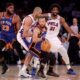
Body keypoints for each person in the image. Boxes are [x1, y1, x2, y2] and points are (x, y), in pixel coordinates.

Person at [44, 3, 77, 75]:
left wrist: (74, 34)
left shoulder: (61, 19)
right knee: (40, 54)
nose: (55, 11)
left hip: (54, 38)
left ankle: (69, 68)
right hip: (46, 37)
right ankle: (35, 69)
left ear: (58, 11)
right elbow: (39, 18)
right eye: (53, 9)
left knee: (63, 51)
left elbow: (67, 28)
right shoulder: (47, 16)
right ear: (51, 10)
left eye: (56, 9)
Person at [17, 7, 42, 77]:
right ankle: (31, 68)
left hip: (29, 36)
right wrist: (36, 35)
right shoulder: (29, 19)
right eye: (40, 13)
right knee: (32, 52)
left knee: (32, 52)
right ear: (36, 12)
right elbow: (24, 34)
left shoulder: (36, 18)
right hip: (22, 37)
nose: (40, 15)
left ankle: (24, 70)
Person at [0, 3, 25, 74]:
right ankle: (4, 65)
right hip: (3, 35)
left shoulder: (16, 17)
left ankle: (24, 69)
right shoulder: (1, 15)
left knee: (18, 50)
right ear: (6, 8)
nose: (12, 9)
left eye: (13, 8)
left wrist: (16, 40)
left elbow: (19, 30)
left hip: (12, 36)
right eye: (10, 8)